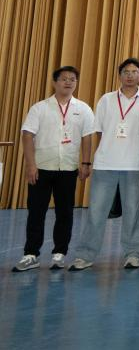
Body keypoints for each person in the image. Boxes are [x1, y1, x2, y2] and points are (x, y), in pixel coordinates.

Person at [70, 58, 139, 271]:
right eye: (126, 71)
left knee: (134, 212)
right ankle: (86, 255)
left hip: (135, 164)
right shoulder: (106, 99)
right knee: (96, 211)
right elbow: (98, 130)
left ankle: (134, 254)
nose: (130, 75)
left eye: (134, 72)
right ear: (119, 75)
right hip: (105, 163)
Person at [14, 66, 94, 272]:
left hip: (68, 168)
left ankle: (59, 254)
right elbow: (27, 135)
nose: (68, 82)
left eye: (72, 79)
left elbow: (87, 137)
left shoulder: (83, 109)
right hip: (41, 167)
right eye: (64, 79)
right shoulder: (40, 108)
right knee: (36, 212)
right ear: (54, 82)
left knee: (65, 212)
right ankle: (31, 254)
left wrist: (86, 163)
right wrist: (30, 165)